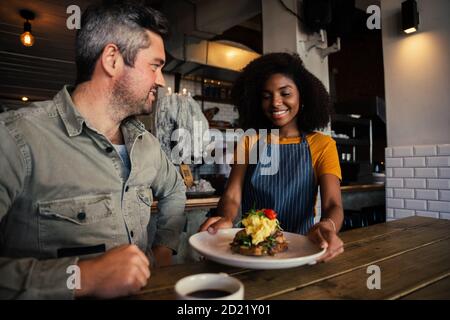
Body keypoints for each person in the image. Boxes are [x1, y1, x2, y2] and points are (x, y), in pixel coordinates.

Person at [0, 2, 186, 299]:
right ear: (112, 59)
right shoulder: (15, 138)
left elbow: (175, 191)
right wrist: (81, 276)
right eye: (155, 65)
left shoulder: (146, 144)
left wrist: (163, 251)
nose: (161, 81)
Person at [200, 52, 344, 262]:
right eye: (266, 96)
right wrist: (226, 218)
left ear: (302, 96)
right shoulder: (250, 141)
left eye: (285, 93)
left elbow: (333, 204)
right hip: (250, 251)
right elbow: (231, 196)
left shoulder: (322, 145)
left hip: (301, 251)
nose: (275, 103)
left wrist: (328, 226)